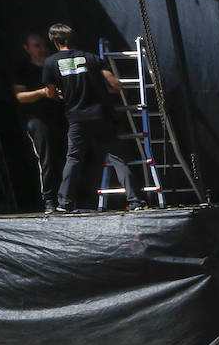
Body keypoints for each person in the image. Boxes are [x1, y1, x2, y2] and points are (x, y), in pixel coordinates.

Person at [41, 23, 142, 212]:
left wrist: (64, 95)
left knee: (73, 160)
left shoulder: (51, 62)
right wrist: (105, 89)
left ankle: (65, 204)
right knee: (117, 158)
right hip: (101, 115)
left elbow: (49, 93)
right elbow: (116, 84)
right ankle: (135, 200)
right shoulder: (92, 58)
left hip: (77, 117)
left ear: (55, 41)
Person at [11, 32, 66, 213]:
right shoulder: (23, 70)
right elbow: (20, 96)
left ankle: (70, 197)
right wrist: (43, 92)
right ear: (27, 49)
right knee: (47, 158)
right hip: (38, 120)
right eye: (37, 46)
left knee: (69, 156)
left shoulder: (54, 66)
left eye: (43, 45)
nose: (42, 49)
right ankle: (50, 199)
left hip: (61, 117)